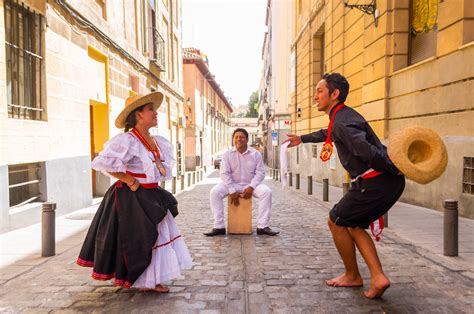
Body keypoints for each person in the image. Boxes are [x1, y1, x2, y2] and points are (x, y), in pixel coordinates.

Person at [285, 73, 405, 299]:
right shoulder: (340, 118)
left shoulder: (342, 120)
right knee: (352, 223)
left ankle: (354, 276)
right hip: (382, 181)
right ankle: (377, 277)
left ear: (335, 94)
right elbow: (328, 133)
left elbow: (365, 149)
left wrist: (393, 167)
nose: (315, 96)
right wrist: (302, 138)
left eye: (319, 91)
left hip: (377, 181)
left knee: (337, 220)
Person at [77, 92, 192, 293]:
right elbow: (103, 162)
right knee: (140, 238)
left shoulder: (155, 140)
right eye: (150, 110)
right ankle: (146, 280)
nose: (155, 113)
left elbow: (158, 167)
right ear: (138, 115)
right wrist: (130, 180)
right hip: (132, 197)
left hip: (151, 195)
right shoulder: (127, 140)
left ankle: (151, 279)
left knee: (156, 236)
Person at [204, 128, 280, 236]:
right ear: (233, 140)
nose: (239, 139)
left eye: (242, 137)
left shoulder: (256, 154)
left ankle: (262, 226)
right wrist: (231, 190)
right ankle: (219, 226)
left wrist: (251, 187)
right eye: (236, 137)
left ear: (247, 140)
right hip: (232, 184)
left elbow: (260, 173)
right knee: (214, 192)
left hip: (250, 184)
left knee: (267, 192)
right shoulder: (227, 154)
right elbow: (224, 174)